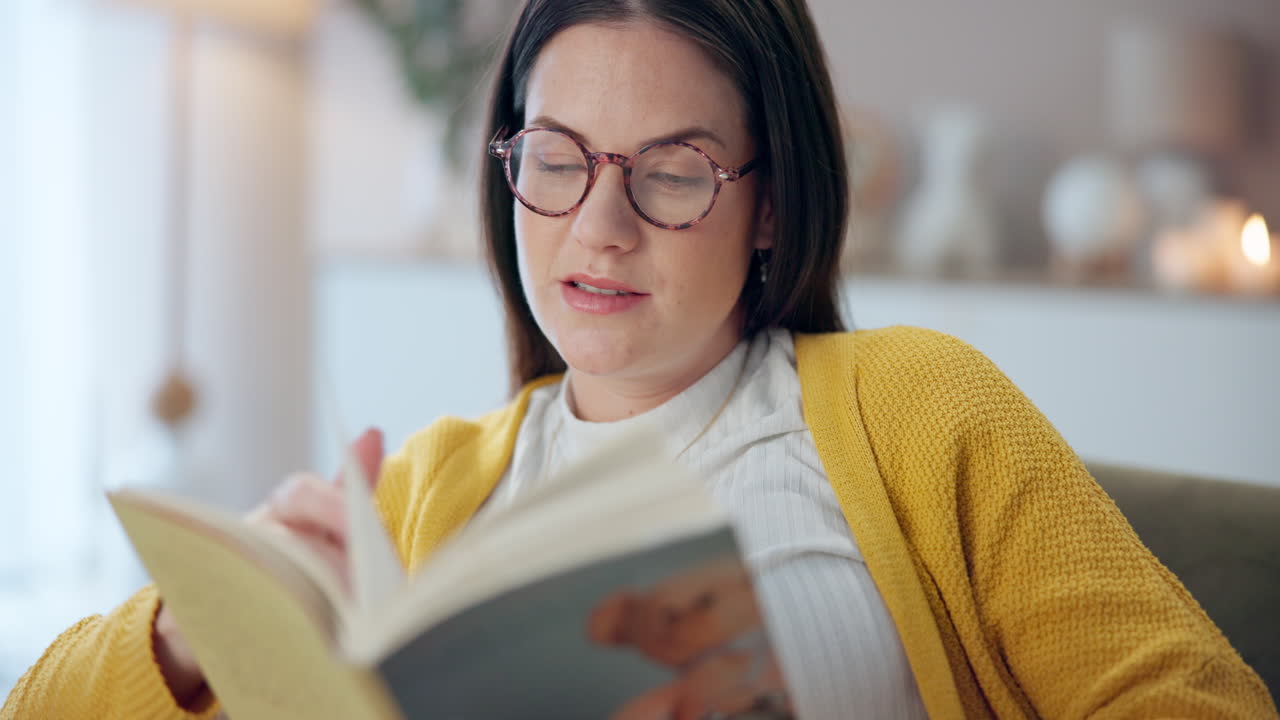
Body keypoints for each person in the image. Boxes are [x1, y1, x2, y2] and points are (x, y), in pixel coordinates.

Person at [3, 0, 1275, 718]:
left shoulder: (918, 407)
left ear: (769, 205)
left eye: (670, 174)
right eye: (554, 160)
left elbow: (1194, 701)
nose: (597, 229)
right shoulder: (434, 486)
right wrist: (191, 631)